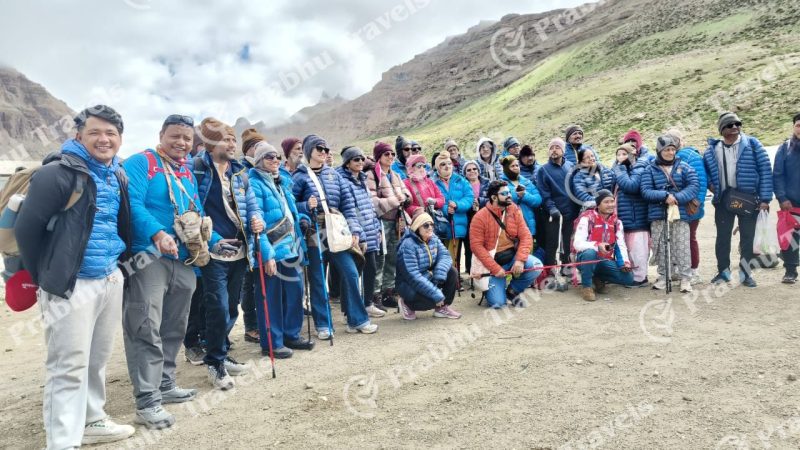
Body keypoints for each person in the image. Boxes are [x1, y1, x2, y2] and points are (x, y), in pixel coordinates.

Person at [15, 105, 135, 447]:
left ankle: (93, 419)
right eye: (95, 132)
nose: (104, 139)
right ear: (78, 135)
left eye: (111, 133)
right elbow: (27, 229)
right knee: (67, 365)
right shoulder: (58, 173)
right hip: (71, 284)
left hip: (109, 277)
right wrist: (47, 277)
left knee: (96, 359)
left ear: (120, 139)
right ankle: (63, 440)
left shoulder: (116, 173)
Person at [121, 114, 220, 429]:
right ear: (161, 134)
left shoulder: (186, 170)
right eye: (175, 136)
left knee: (175, 325)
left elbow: (195, 211)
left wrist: (217, 240)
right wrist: (156, 233)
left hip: (184, 259)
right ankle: (147, 401)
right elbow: (132, 204)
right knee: (145, 326)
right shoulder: (140, 163)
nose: (181, 143)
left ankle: (165, 384)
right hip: (148, 257)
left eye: (187, 139)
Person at [193, 117, 265, 390]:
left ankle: (221, 352)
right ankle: (214, 363)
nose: (232, 144)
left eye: (233, 139)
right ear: (210, 143)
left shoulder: (239, 172)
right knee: (218, 307)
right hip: (213, 253)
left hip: (241, 249)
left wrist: (257, 219)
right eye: (225, 139)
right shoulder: (197, 169)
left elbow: (252, 204)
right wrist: (212, 238)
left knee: (232, 305)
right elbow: (192, 207)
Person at [293, 134, 378, 337]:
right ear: (309, 151)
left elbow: (348, 205)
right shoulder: (299, 177)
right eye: (319, 149)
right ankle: (323, 324)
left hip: (338, 230)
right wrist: (305, 206)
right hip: (315, 232)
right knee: (318, 278)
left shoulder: (334, 175)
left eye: (326, 149)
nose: (324, 152)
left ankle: (356, 320)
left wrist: (355, 230)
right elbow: (290, 205)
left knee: (350, 272)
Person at [249, 141, 312, 359]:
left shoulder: (282, 182)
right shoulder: (253, 183)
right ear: (259, 161)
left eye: (276, 157)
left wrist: (303, 218)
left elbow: (290, 211)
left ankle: (291, 334)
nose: (275, 160)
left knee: (296, 292)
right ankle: (272, 342)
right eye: (269, 157)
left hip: (292, 247)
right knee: (271, 297)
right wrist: (266, 255)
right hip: (272, 250)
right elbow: (255, 220)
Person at [703, 112, 773, 287]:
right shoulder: (712, 150)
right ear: (721, 130)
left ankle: (745, 273)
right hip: (723, 200)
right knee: (722, 237)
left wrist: (765, 198)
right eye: (729, 125)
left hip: (749, 199)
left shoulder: (753, 144)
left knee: (748, 237)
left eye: (737, 124)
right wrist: (711, 185)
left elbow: (765, 171)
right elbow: (705, 172)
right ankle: (723, 272)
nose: (735, 127)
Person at [641, 135, 699, 292]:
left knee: (682, 245)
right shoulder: (649, 169)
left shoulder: (685, 167)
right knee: (660, 246)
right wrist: (664, 196)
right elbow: (645, 191)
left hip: (680, 213)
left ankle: (685, 278)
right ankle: (663, 276)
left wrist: (676, 198)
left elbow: (693, 186)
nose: (670, 152)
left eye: (673, 149)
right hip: (658, 214)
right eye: (667, 149)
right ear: (659, 151)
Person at [469, 181, 542, 308]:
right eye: (504, 193)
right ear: (494, 197)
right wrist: (495, 269)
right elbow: (477, 247)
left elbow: (526, 236)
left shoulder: (514, 209)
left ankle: (512, 291)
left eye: (509, 192)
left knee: (536, 266)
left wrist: (520, 260)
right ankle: (493, 291)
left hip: (512, 257)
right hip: (492, 264)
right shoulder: (479, 217)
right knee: (498, 304)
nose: (509, 195)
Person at [336, 146, 385, 318]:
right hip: (355, 234)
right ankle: (347, 309)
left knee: (370, 268)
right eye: (356, 159)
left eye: (362, 159)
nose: (360, 162)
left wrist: (377, 227)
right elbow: (350, 210)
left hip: (370, 230)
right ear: (347, 163)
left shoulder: (362, 179)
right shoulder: (344, 182)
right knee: (352, 272)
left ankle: (368, 303)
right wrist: (359, 233)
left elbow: (370, 207)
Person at [366, 141, 411, 308]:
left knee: (392, 256)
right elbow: (371, 200)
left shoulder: (396, 175)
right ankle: (375, 294)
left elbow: (405, 191)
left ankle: (388, 291)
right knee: (380, 257)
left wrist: (406, 198)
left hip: (396, 220)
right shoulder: (372, 175)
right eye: (387, 154)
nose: (391, 157)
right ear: (379, 156)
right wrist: (394, 201)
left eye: (392, 154)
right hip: (380, 221)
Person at [396, 212, 462, 320]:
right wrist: (436, 294)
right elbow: (414, 277)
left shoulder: (433, 238)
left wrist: (439, 273)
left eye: (432, 224)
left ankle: (442, 308)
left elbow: (445, 256)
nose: (430, 228)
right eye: (426, 225)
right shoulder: (407, 245)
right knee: (433, 300)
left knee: (452, 272)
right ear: (417, 227)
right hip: (409, 285)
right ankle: (407, 303)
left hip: (427, 276)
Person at [573, 190, 635, 301]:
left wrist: (625, 262)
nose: (611, 204)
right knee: (589, 253)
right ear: (598, 204)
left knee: (628, 278)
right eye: (606, 202)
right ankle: (587, 286)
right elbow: (577, 244)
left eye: (612, 201)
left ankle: (597, 277)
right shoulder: (587, 218)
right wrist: (597, 245)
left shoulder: (617, 222)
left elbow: (620, 245)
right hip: (585, 258)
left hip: (604, 261)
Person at [668, 128, 708, 285]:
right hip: (677, 206)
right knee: (678, 239)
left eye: (674, 139)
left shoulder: (691, 156)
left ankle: (694, 271)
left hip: (690, 206)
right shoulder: (671, 157)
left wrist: (696, 203)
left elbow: (701, 182)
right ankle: (680, 270)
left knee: (689, 238)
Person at [537, 138, 579, 282]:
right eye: (551, 147)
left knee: (568, 242)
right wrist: (551, 208)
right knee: (552, 243)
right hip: (553, 214)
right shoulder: (543, 170)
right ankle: (550, 272)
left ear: (562, 150)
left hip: (570, 211)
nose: (554, 150)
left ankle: (566, 268)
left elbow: (575, 188)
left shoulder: (570, 166)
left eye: (557, 147)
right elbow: (544, 193)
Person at [239, 128, 267, 345]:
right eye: (258, 146)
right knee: (248, 283)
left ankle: (260, 321)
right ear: (249, 149)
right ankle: (250, 326)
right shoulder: (242, 169)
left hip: (259, 230)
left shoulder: (262, 168)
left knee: (258, 281)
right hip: (244, 233)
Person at [612, 144, 650, 287]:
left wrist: (619, 169)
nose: (621, 157)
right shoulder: (623, 169)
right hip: (625, 217)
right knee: (627, 248)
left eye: (624, 154)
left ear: (632, 154)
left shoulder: (638, 168)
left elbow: (631, 186)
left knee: (638, 249)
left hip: (637, 217)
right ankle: (631, 276)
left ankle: (641, 278)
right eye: (618, 154)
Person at [430, 151, 473, 267]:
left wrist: (457, 205)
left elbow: (469, 197)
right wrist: (445, 209)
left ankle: (454, 280)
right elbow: (433, 200)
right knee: (441, 256)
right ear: (438, 167)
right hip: (441, 225)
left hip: (458, 223)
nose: (447, 166)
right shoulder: (432, 182)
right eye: (443, 164)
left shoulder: (461, 180)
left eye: (449, 163)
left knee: (454, 256)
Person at [773, 113, 800, 284]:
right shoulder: (785, 147)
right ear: (793, 127)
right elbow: (778, 174)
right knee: (790, 236)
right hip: (791, 201)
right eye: (798, 125)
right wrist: (782, 197)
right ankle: (790, 270)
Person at [499, 155, 542, 240]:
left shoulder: (526, 182)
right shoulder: (500, 183)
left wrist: (525, 195)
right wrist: (516, 194)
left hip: (528, 224)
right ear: (506, 168)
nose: (515, 168)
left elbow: (538, 200)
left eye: (517, 165)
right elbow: (501, 199)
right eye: (512, 166)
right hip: (510, 225)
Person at [462, 160, 489, 279]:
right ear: (465, 173)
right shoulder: (462, 184)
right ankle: (470, 269)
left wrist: (480, 201)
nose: (472, 171)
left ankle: (484, 269)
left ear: (478, 171)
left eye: (474, 169)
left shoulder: (487, 183)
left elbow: (491, 198)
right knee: (469, 245)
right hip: (468, 218)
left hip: (484, 217)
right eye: (469, 170)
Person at [403, 153, 445, 218]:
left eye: (424, 166)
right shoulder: (406, 183)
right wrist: (420, 210)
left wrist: (434, 201)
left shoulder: (429, 181)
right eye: (419, 166)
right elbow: (406, 206)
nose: (422, 168)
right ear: (411, 167)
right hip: (419, 220)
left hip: (434, 218)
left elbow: (441, 199)